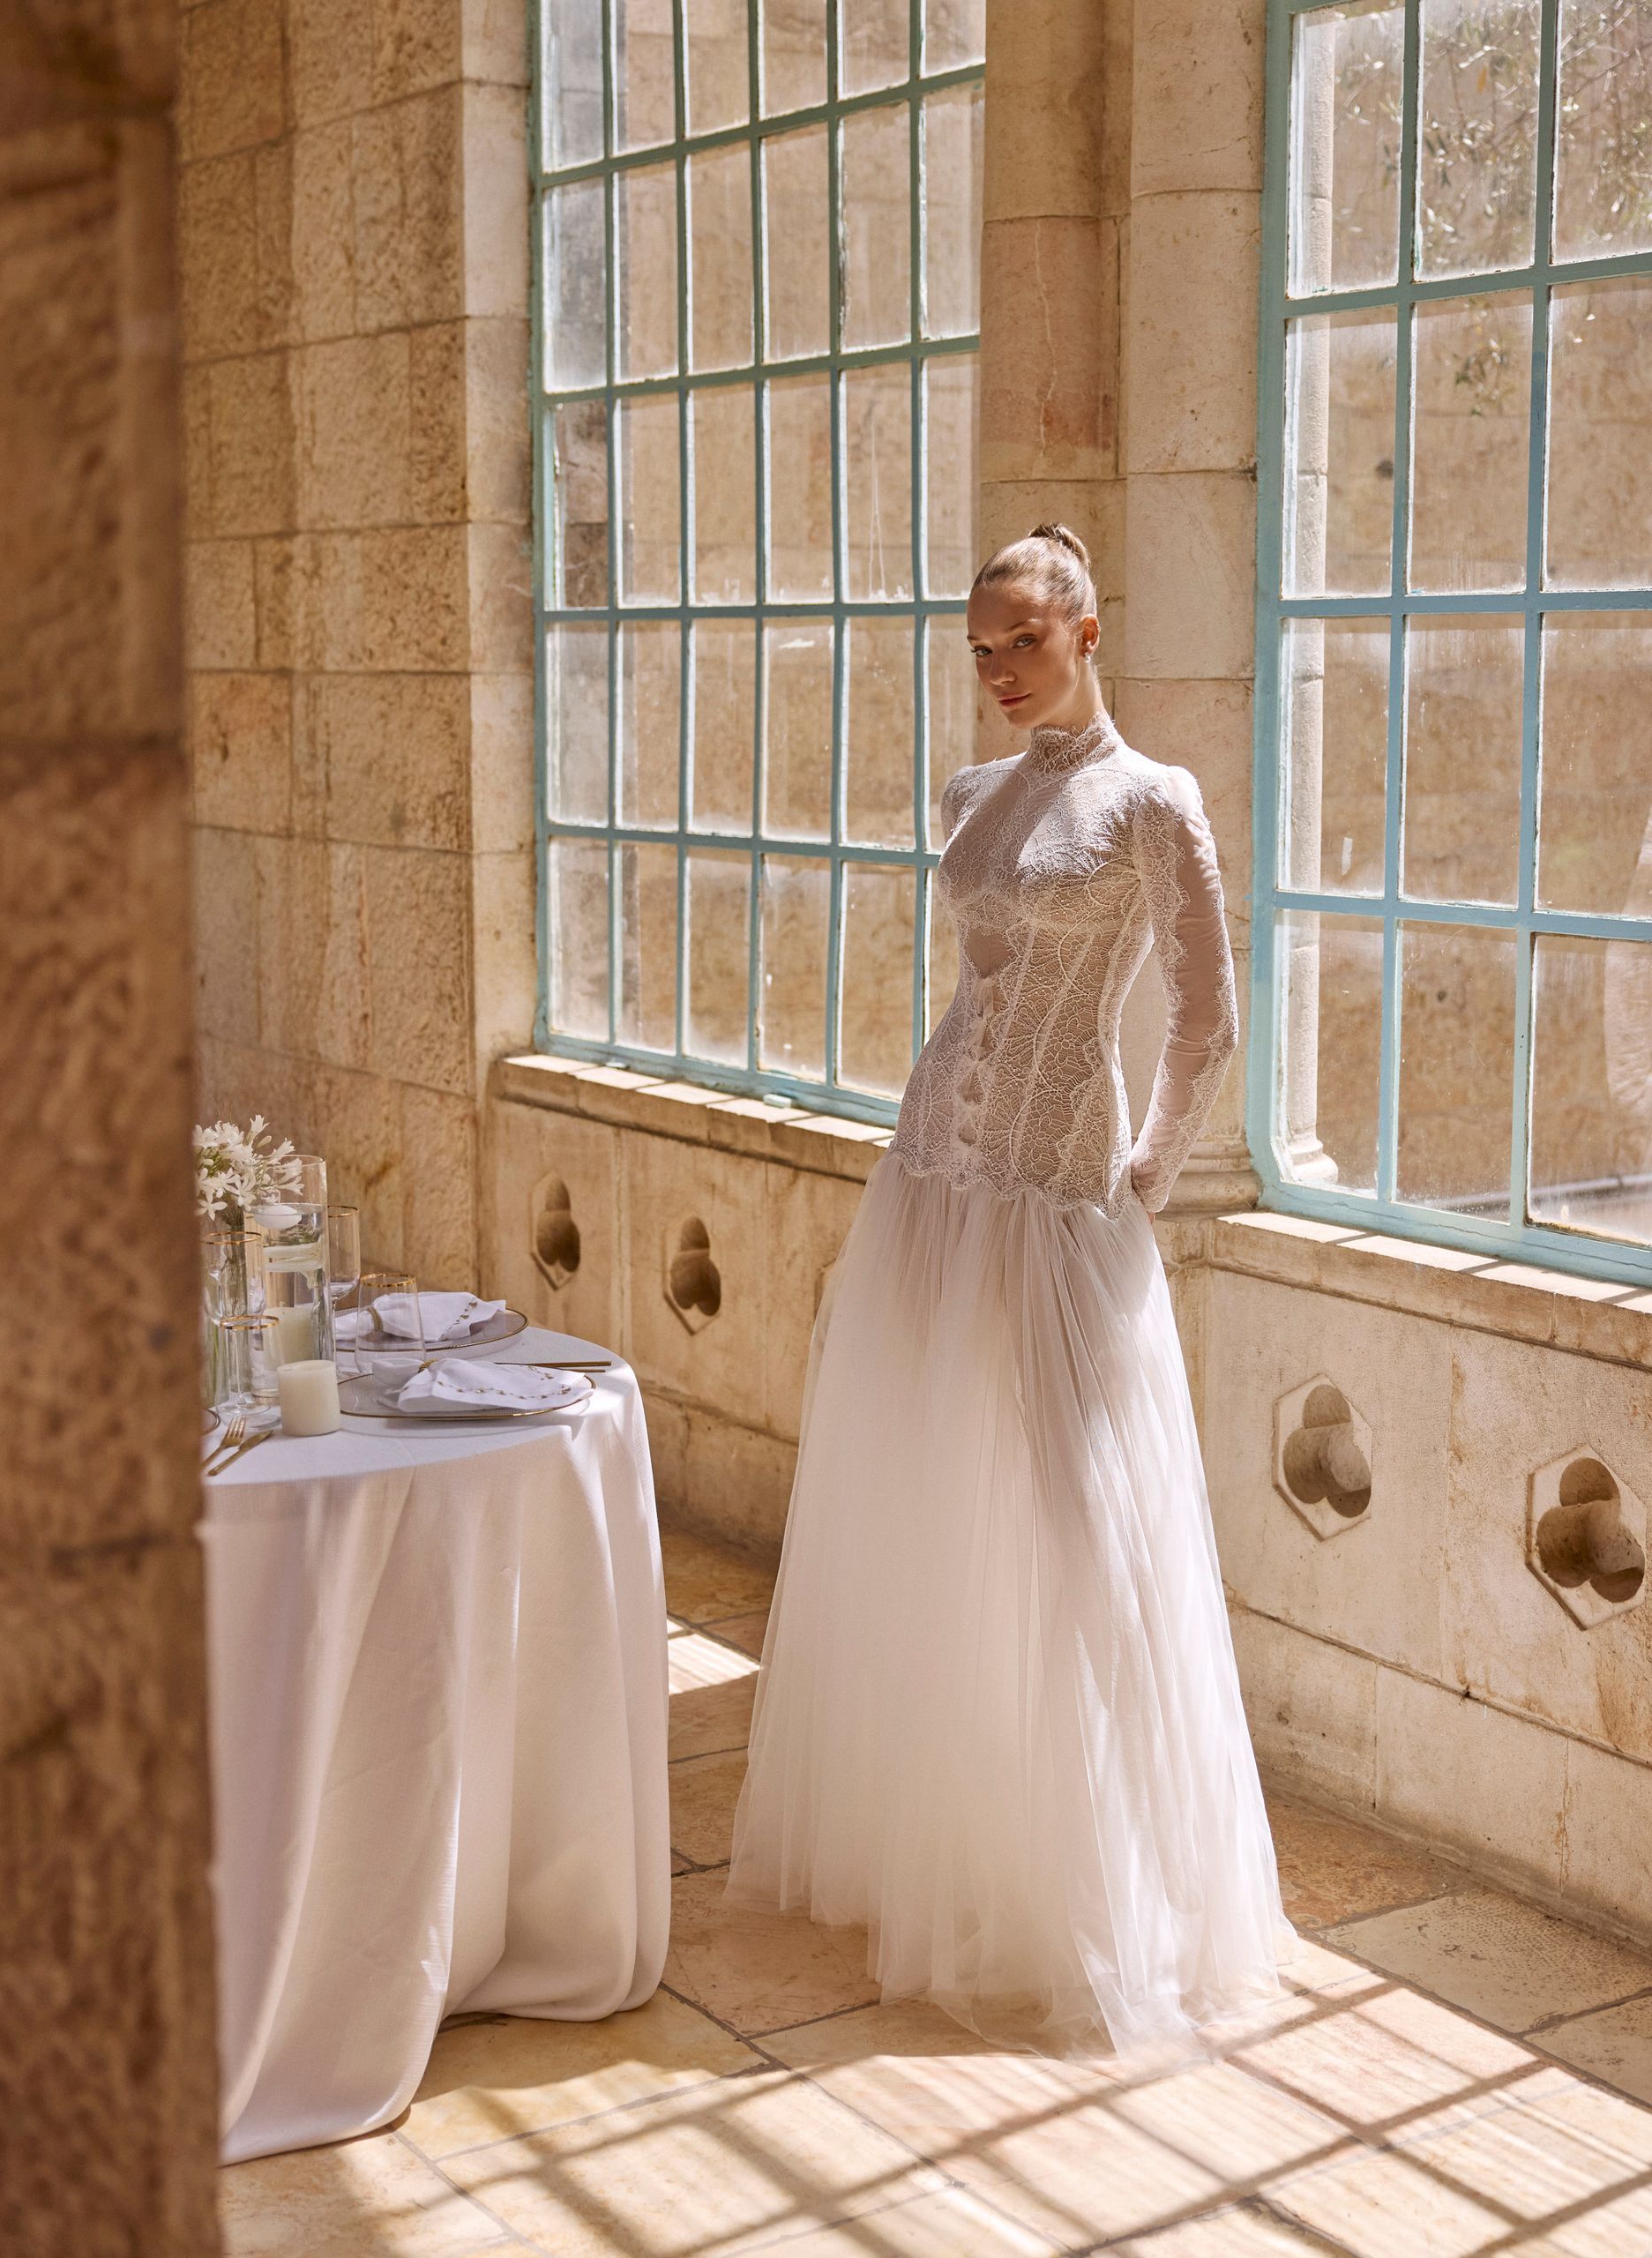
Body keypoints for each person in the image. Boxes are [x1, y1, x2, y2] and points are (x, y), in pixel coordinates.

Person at [725, 523, 1296, 2057]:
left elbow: (1207, 1015)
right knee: (921, 1492)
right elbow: (973, 990)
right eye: (981, 649)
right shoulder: (971, 794)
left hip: (1058, 1198)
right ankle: (940, 1846)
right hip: (933, 1178)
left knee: (1080, 1518)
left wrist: (1148, 1172)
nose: (998, 670)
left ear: (1087, 636)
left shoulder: (1153, 801)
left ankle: (1119, 1895)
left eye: (1023, 643)